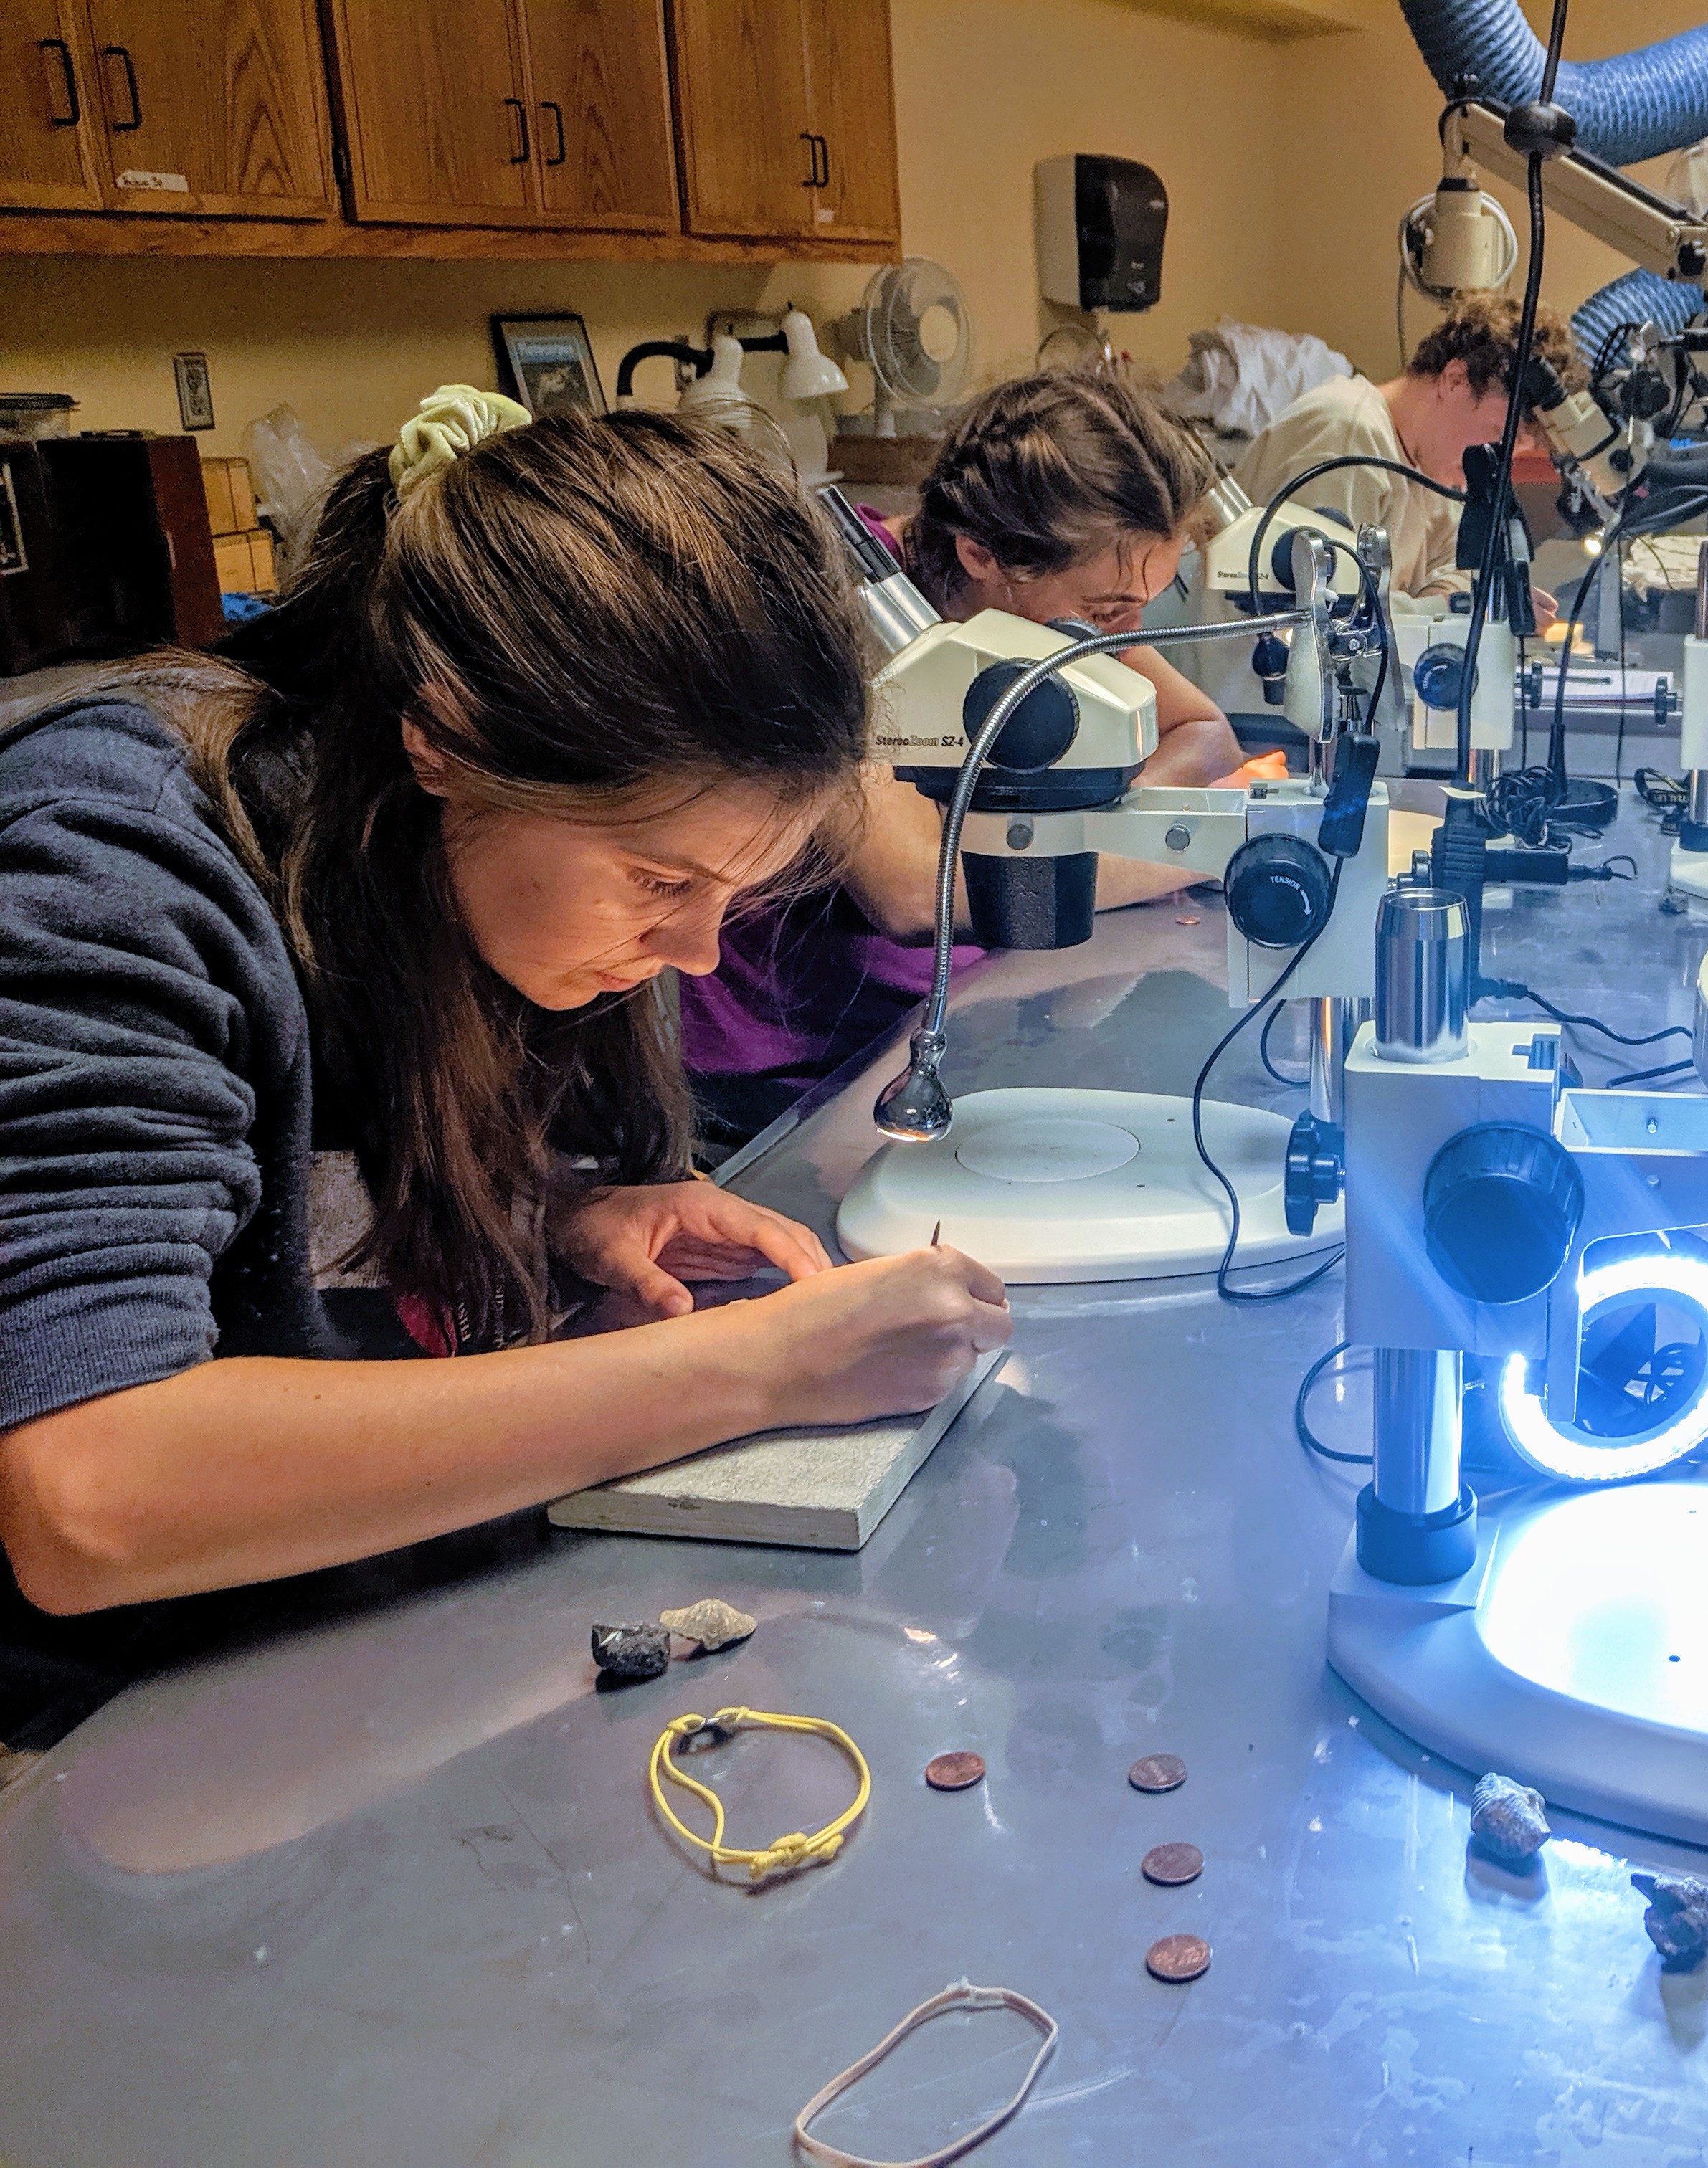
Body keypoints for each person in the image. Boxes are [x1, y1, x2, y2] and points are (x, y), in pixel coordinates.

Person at [0, 390, 1008, 1746]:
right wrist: (755, 1369)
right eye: (660, 879)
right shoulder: (112, 871)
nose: (700, 952)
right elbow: (90, 1489)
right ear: (444, 738)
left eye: (738, 891)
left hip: (373, 1638)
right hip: (111, 1747)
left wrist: (548, 1213)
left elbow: (290, 1186)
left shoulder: (479, 869)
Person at [682, 371, 1256, 1147]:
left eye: (1142, 602)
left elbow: (1205, 737)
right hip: (797, 1076)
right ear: (981, 552)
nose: (1127, 634)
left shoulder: (1058, 602)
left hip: (958, 1010)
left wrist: (1068, 843)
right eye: (1106, 611)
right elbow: (916, 890)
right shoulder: (850, 613)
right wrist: (1196, 849)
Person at [1226, 295, 1585, 602]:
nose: (1495, 463)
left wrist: (1455, 601)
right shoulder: (1347, 436)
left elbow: (1461, 573)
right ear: (1455, 380)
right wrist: (1452, 609)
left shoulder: (1435, 469)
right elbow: (1324, 614)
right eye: (1496, 437)